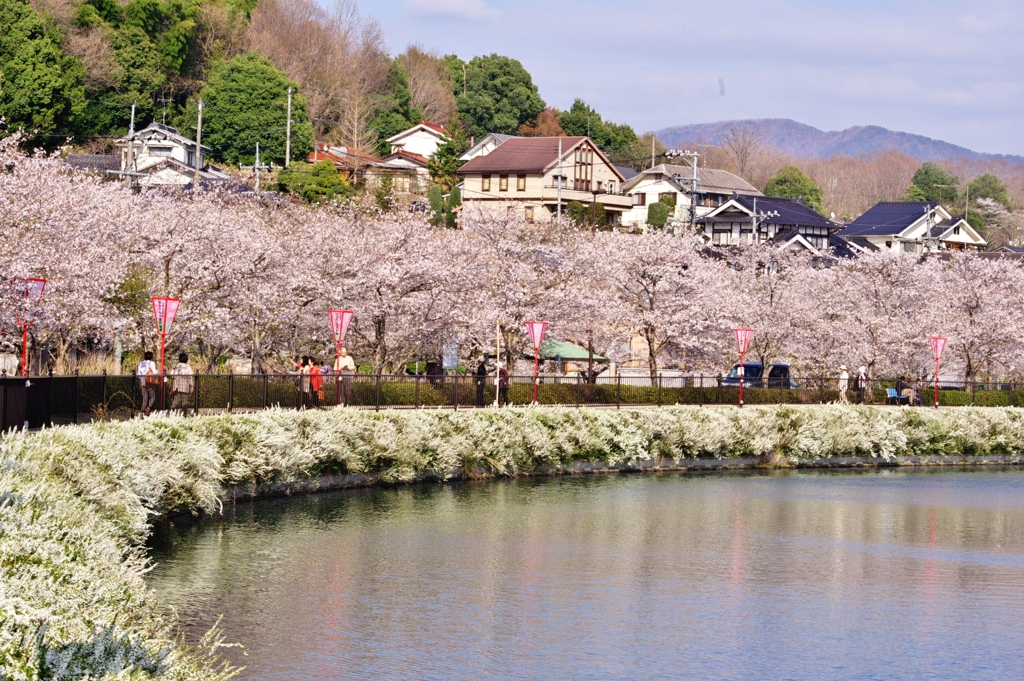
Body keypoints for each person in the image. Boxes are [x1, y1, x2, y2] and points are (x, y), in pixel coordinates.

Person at [137, 351, 159, 416]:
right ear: (151, 357)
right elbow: (154, 372)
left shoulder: (141, 363)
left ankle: (143, 412)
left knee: (145, 398)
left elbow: (139, 374)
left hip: (143, 383)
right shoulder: (151, 363)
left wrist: (142, 380)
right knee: (152, 397)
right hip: (150, 383)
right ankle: (148, 408)